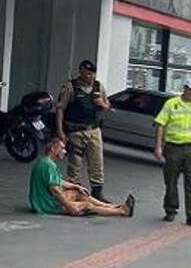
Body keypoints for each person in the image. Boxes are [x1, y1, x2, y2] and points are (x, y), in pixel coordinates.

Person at [153, 78, 191, 227]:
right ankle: (170, 210)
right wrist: (158, 147)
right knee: (171, 181)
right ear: (184, 88)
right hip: (173, 148)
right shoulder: (171, 104)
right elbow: (160, 126)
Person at [29, 138, 134, 217]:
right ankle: (121, 211)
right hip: (47, 205)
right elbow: (55, 190)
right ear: (53, 149)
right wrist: (70, 207)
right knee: (86, 205)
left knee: (78, 192)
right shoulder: (48, 165)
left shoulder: (45, 162)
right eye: (62, 148)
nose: (64, 152)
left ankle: (112, 206)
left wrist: (75, 186)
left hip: (45, 201)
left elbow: (58, 182)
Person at [55, 59, 111, 202]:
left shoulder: (99, 87)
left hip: (94, 130)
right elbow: (60, 109)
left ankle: (97, 192)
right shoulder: (70, 87)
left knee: (97, 162)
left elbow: (107, 107)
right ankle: (75, 192)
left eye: (93, 73)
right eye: (87, 74)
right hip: (75, 130)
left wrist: (102, 104)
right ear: (81, 72)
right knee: (75, 163)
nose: (91, 77)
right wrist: (60, 131)